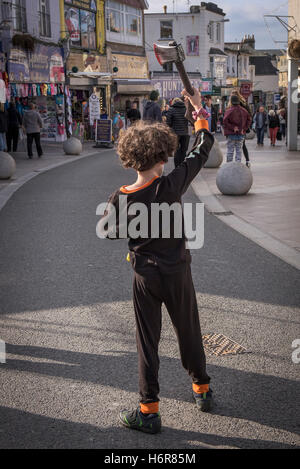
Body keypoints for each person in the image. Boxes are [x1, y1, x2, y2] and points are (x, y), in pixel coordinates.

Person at [98, 87, 214, 434]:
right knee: (189, 331)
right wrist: (198, 111)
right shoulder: (172, 184)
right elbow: (202, 148)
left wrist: (134, 240)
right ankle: (202, 390)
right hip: (178, 271)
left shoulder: (120, 197)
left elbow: (108, 230)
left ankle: (148, 411)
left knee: (146, 341)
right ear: (163, 157)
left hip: (145, 276)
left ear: (130, 158)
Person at [223, 95, 252, 163]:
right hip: (241, 133)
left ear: (231, 102)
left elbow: (224, 121)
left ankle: (229, 166)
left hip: (231, 133)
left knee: (230, 150)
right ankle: (237, 165)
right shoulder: (244, 110)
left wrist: (232, 127)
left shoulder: (229, 110)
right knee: (239, 151)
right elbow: (249, 120)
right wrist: (244, 128)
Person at [230, 90, 252, 168]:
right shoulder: (242, 104)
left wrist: (244, 127)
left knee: (240, 145)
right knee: (241, 145)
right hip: (237, 128)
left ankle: (244, 161)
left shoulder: (242, 105)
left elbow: (249, 116)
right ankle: (246, 161)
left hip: (240, 128)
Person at [166, 97, 190, 167]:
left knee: (176, 151)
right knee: (183, 151)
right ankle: (182, 167)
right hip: (185, 133)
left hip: (175, 134)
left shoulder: (171, 109)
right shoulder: (186, 109)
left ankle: (177, 167)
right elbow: (189, 120)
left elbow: (168, 122)